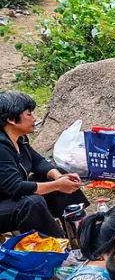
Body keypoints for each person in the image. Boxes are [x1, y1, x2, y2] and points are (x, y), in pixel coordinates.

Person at [0, 91, 87, 237]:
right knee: (32, 203)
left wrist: (58, 178)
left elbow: (38, 161)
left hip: (11, 197)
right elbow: (15, 187)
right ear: (11, 120)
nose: (34, 118)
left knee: (56, 174)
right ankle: (57, 246)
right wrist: (58, 185)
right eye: (29, 114)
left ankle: (81, 233)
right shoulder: (2, 148)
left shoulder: (19, 139)